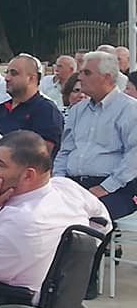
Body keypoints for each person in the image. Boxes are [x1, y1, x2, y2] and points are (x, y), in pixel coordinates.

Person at [0, 131, 109, 304]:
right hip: (50, 293)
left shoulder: (22, 218)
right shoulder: (67, 188)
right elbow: (103, 223)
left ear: (28, 175)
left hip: (1, 299)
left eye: (0, 164)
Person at [54, 50, 137, 221]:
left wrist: (105, 188)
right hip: (73, 185)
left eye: (87, 73)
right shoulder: (77, 110)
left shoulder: (129, 109)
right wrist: (59, 182)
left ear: (106, 77)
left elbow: (133, 157)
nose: (80, 77)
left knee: (81, 218)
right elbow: (65, 151)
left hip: (114, 188)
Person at [0, 54, 63, 154]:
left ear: (31, 78)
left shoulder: (46, 111)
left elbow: (42, 155)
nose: (7, 78)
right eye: (7, 73)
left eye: (14, 73)